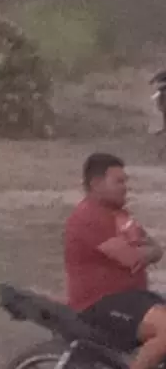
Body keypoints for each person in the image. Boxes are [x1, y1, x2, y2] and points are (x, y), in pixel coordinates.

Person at [65, 152, 166, 369]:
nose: (125, 187)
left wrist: (146, 252)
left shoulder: (119, 215)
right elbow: (131, 258)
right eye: (118, 182)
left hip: (132, 298)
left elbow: (157, 250)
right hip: (100, 305)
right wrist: (144, 252)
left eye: (125, 181)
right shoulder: (88, 217)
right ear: (96, 184)